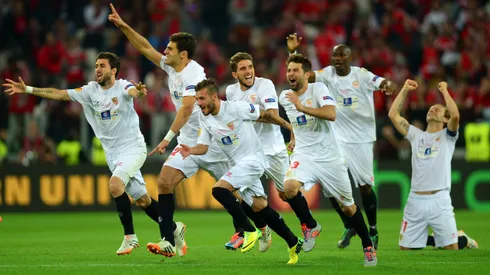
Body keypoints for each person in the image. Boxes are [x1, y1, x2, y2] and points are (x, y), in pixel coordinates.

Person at [3, 52, 160, 256]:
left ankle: (130, 237)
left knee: (115, 185)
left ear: (113, 70)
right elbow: (58, 93)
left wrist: (138, 92)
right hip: (113, 154)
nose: (97, 69)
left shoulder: (122, 86)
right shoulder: (89, 91)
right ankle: (174, 229)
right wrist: (28, 89)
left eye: (102, 65)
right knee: (143, 201)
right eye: (96, 65)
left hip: (133, 148)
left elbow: (133, 92)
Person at [108, 4, 229, 257]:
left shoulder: (193, 73)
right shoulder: (172, 67)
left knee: (247, 196)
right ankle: (169, 240)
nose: (165, 52)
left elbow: (186, 109)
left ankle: (262, 225)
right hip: (188, 141)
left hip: (211, 140)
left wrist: (166, 139)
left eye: (170, 49)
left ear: (183, 54)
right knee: (164, 183)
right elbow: (144, 48)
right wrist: (124, 26)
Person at [286, 34, 397, 249]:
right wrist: (293, 53)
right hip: (336, 139)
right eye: (334, 55)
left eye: (341, 56)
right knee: (331, 188)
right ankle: (350, 225)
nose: (337, 59)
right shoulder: (327, 74)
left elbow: (380, 81)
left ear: (350, 57)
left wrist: (387, 84)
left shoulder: (361, 75)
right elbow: (302, 75)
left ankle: (372, 230)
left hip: (361, 139)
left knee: (364, 186)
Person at [180, 78, 304, 264]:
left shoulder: (237, 108)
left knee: (219, 189)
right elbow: (203, 147)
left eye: (202, 99)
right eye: (197, 99)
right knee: (259, 206)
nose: (199, 103)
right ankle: (293, 242)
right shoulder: (204, 118)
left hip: (253, 160)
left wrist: (290, 128)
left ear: (214, 96)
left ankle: (248, 230)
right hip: (238, 165)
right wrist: (191, 150)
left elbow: (266, 115)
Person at [279, 53, 377, 267]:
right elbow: (295, 120)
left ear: (306, 75)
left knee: (348, 208)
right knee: (289, 188)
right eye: (288, 71)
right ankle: (311, 225)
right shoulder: (284, 96)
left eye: (295, 70)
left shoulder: (318, 89)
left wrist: (302, 107)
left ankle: (367, 245)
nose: (290, 74)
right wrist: (294, 137)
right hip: (304, 155)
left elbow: (331, 113)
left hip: (330, 157)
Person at [388, 79, 479, 250]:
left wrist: (444, 91)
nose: (432, 109)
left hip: (439, 199)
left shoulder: (448, 137)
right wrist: (405, 89)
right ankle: (432, 240)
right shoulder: (416, 135)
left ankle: (462, 239)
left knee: (451, 249)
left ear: (445, 118)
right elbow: (393, 115)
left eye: (437, 109)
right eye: (430, 109)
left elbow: (456, 116)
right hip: (415, 199)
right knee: (406, 250)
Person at [224, 52, 295, 251]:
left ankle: (307, 224)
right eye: (243, 69)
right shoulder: (230, 92)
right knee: (249, 199)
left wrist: (247, 115)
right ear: (235, 74)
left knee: (286, 194)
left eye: (250, 67)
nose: (248, 72)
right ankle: (260, 230)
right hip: (249, 152)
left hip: (273, 148)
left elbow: (272, 115)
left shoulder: (265, 85)